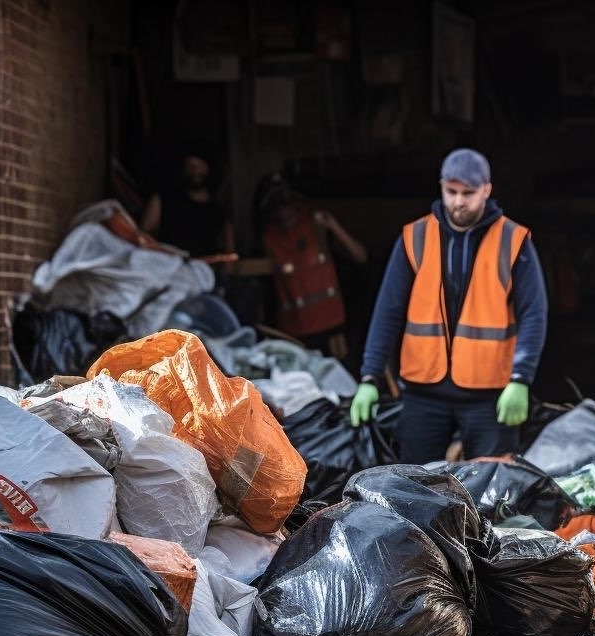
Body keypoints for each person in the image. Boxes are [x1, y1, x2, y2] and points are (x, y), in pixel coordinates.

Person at [348, 149, 546, 463]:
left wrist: (521, 379)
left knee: (494, 494)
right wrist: (370, 377)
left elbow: (533, 314)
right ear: (441, 187)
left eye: (468, 193)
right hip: (423, 394)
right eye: (451, 192)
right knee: (415, 490)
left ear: (487, 190)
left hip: (489, 395)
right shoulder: (415, 237)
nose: (458, 202)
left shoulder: (513, 240)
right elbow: (387, 311)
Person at [257, 175, 367, 357]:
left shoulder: (316, 225)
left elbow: (360, 256)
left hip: (332, 327)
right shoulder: (268, 238)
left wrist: (333, 226)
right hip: (295, 332)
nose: (283, 208)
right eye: (276, 203)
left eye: (287, 200)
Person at [140, 154, 234, 258]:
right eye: (190, 166)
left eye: (200, 166)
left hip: (204, 270)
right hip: (167, 269)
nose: (195, 171)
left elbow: (228, 253)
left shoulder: (218, 212)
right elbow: (141, 238)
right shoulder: (162, 201)